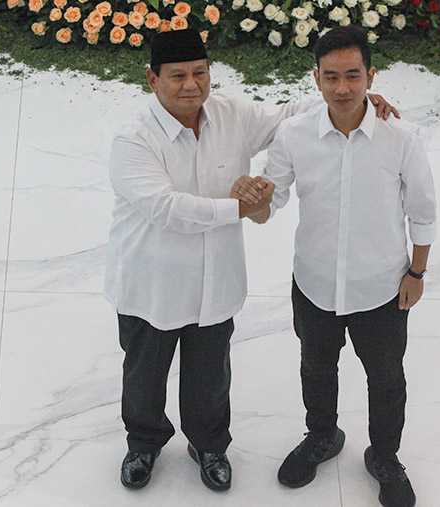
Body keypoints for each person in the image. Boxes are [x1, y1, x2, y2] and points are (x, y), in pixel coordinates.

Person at [105, 27, 398, 493]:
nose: (190, 85)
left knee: (210, 374)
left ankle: (209, 445)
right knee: (144, 373)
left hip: (215, 279)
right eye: (177, 75)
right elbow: (166, 209)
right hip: (152, 281)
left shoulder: (230, 113)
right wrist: (239, 207)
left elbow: (289, 116)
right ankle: (144, 442)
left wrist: (360, 101)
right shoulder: (133, 139)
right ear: (152, 79)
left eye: (200, 73)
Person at [234, 26, 437, 507]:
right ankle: (322, 436)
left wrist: (417, 273)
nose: (342, 88)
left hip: (382, 287)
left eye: (352, 75)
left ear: (371, 75)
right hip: (315, 283)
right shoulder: (295, 133)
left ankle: (385, 456)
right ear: (316, 79)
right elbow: (271, 202)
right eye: (331, 77)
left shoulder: (402, 137)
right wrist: (254, 200)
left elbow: (423, 210)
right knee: (315, 368)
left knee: (386, 379)